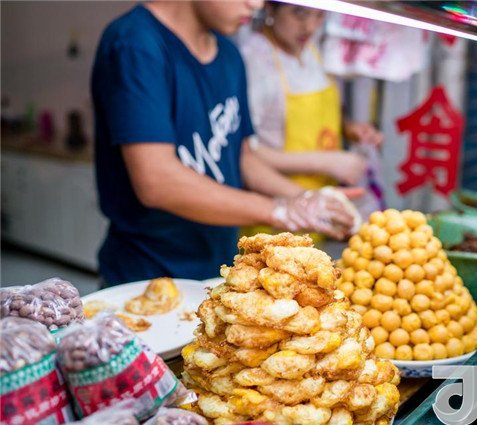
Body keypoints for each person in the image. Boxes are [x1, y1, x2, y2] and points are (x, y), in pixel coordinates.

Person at [92, 0, 359, 286]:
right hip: (146, 275)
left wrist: (306, 199)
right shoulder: (136, 45)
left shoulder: (229, 55)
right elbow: (157, 181)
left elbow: (242, 158)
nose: (256, 4)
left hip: (215, 266)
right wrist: (278, 210)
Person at [240, 2, 384, 193]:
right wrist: (324, 162)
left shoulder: (313, 48)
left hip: (326, 194)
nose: (310, 27)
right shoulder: (252, 61)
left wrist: (349, 128)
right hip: (278, 198)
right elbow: (245, 152)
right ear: (270, 9)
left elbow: (324, 111)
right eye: (300, 13)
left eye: (320, 15)